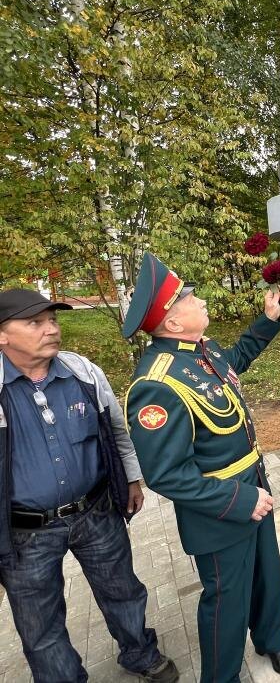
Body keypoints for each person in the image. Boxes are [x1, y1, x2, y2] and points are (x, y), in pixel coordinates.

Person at [122, 254, 280, 682]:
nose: (200, 300)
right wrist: (241, 500)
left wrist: (268, 320)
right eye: (189, 298)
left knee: (267, 573)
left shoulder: (202, 349)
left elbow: (235, 359)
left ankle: (271, 639)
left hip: (254, 485)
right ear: (172, 322)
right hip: (221, 509)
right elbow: (166, 475)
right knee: (226, 600)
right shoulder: (156, 384)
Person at [0, 288, 178, 682]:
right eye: (35, 322)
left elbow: (115, 429)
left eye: (53, 320)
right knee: (40, 627)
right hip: (26, 533)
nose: (51, 329)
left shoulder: (81, 371)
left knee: (123, 591)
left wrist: (131, 478)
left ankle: (140, 654)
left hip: (96, 512)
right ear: (2, 335)